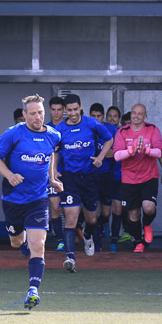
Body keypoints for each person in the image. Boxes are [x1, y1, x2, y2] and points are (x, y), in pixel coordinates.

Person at [0, 94, 63, 310]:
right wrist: (10, 175)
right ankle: (20, 243)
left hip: (38, 199)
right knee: (15, 242)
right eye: (33, 113)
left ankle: (33, 289)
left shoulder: (53, 135)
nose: (38, 117)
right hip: (13, 199)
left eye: (40, 112)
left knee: (38, 244)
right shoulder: (13, 134)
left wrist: (52, 179)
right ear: (24, 115)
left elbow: (50, 156)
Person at [55, 94, 113, 272]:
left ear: (80, 107)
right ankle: (70, 258)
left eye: (75, 109)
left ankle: (88, 235)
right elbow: (55, 152)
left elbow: (109, 139)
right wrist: (54, 171)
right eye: (69, 110)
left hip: (90, 177)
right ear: (65, 111)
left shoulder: (92, 124)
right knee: (71, 217)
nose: (72, 113)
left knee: (91, 218)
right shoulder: (59, 129)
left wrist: (101, 157)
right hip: (70, 177)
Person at [113, 103, 162, 252]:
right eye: (134, 113)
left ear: (145, 116)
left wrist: (146, 150)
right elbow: (116, 155)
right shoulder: (122, 131)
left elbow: (159, 152)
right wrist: (131, 150)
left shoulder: (152, 129)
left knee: (148, 207)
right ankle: (138, 241)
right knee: (133, 213)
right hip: (129, 178)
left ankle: (147, 224)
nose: (136, 116)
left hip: (149, 176)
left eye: (140, 113)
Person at [89, 103, 119, 252]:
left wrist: (114, 152)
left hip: (108, 175)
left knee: (106, 212)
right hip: (91, 175)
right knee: (92, 210)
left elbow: (123, 147)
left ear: (103, 117)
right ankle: (96, 241)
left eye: (99, 116)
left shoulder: (112, 130)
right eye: (93, 116)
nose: (96, 119)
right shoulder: (86, 128)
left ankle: (101, 226)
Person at [46, 96, 66, 250]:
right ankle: (60, 239)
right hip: (52, 174)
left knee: (71, 208)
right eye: (54, 110)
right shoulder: (45, 130)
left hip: (71, 173)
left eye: (60, 110)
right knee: (54, 206)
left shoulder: (69, 127)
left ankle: (74, 231)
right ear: (50, 110)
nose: (57, 113)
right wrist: (52, 172)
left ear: (64, 111)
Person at [105, 105, 123, 252]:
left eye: (115, 116)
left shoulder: (123, 133)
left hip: (119, 177)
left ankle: (114, 241)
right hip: (102, 177)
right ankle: (98, 233)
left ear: (119, 119)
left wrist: (115, 152)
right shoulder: (101, 132)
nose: (112, 118)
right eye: (109, 115)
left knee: (118, 209)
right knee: (102, 211)